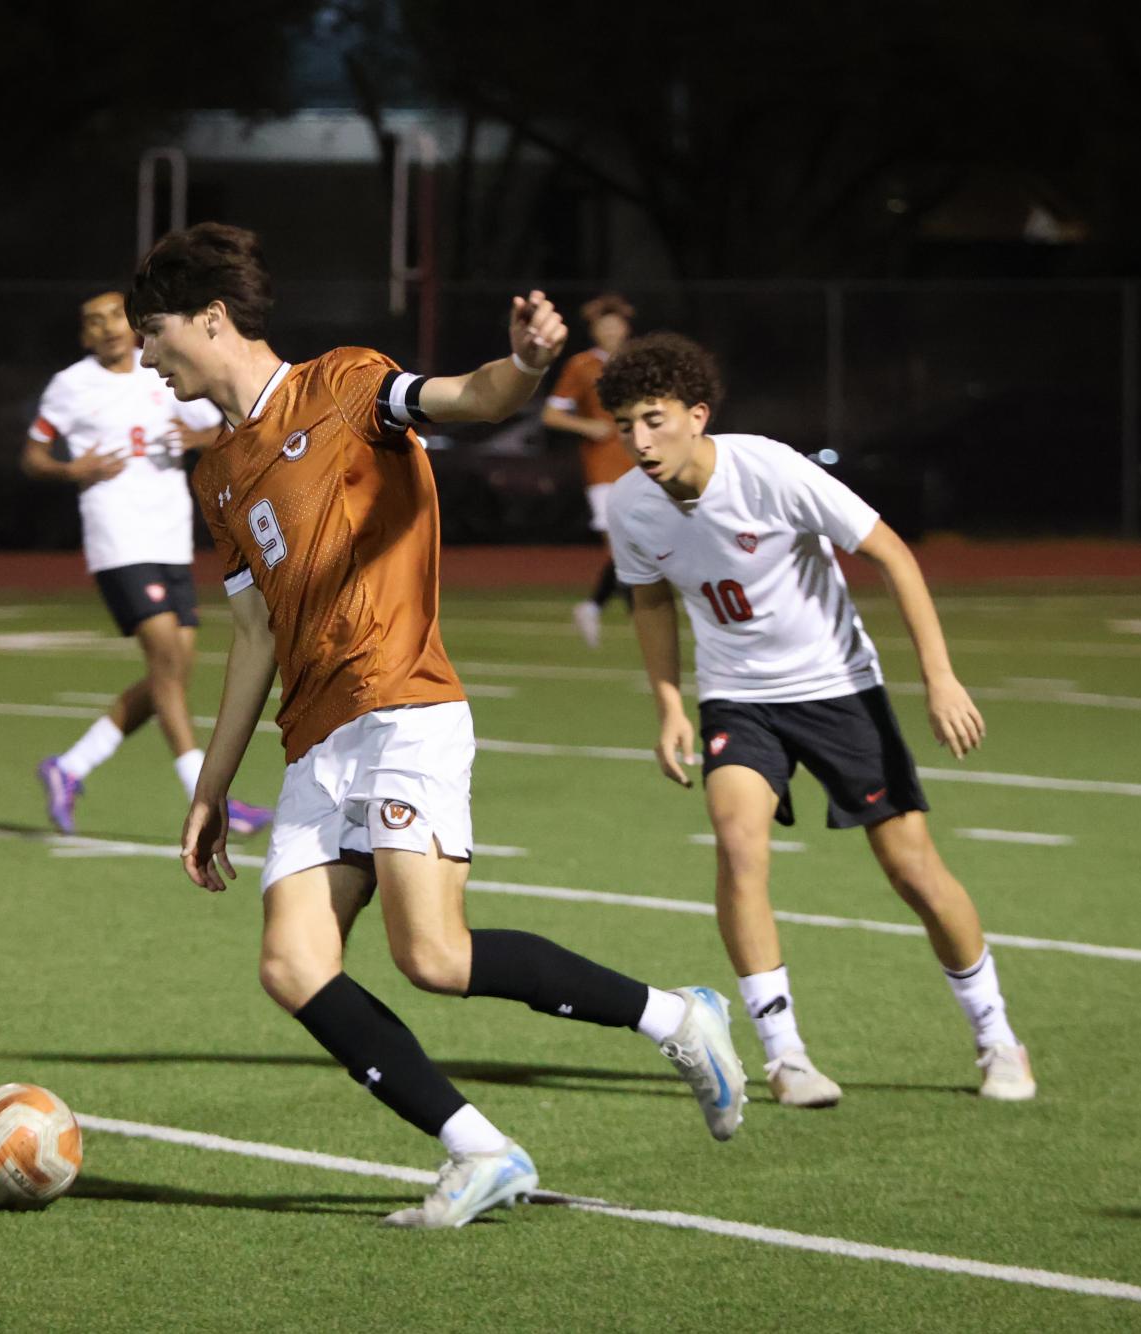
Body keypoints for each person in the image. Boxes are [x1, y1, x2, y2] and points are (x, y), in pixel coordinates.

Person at [134, 223, 747, 1232]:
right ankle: (482, 1149)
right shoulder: (218, 473)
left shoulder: (344, 384)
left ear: (210, 318)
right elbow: (251, 634)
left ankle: (679, 1016)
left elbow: (469, 396)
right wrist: (211, 783)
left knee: (436, 953)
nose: (148, 357)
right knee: (292, 964)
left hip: (403, 706)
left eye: (154, 332)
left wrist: (530, 363)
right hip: (316, 737)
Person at [599, 332, 1035, 1108]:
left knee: (912, 871)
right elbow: (648, 598)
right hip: (737, 699)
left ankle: (997, 1038)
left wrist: (938, 677)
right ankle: (784, 1056)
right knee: (738, 848)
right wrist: (668, 701)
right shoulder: (631, 505)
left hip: (839, 691)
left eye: (654, 420)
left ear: (696, 415)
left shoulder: (768, 469)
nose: (638, 441)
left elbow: (893, 554)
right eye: (625, 424)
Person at [25, 290, 271, 837]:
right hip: (118, 540)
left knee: (172, 673)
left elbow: (224, 424)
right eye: (95, 321)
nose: (109, 327)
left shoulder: (160, 368)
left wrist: (199, 437)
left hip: (170, 539)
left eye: (116, 316)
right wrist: (72, 468)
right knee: (166, 666)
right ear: (85, 335)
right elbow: (34, 454)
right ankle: (207, 796)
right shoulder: (71, 386)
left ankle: (69, 767)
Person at [540, 294, 638, 648]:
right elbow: (551, 414)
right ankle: (635, 619)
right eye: (603, 325)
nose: (611, 331)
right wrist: (588, 427)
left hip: (643, 466)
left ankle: (594, 607)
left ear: (626, 328)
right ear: (594, 330)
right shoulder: (582, 366)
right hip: (604, 469)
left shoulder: (639, 363)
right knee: (621, 548)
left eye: (615, 324)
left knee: (641, 545)